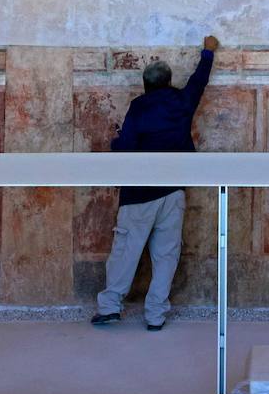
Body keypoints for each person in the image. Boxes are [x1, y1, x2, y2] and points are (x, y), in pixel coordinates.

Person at [91, 35, 220, 331]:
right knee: (166, 255)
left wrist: (113, 142)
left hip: (139, 193)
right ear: (169, 81)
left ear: (146, 84)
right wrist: (208, 52)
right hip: (173, 191)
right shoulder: (182, 102)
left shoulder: (139, 107)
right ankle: (156, 315)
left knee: (126, 252)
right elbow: (199, 81)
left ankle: (110, 306)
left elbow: (125, 148)